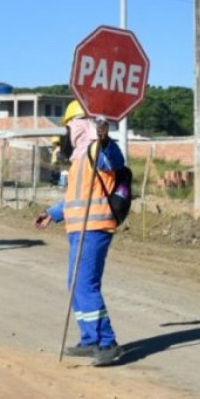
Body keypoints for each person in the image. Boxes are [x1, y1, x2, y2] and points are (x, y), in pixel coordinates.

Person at [34, 115, 126, 366]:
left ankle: (107, 343)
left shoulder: (97, 149)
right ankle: (90, 339)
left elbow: (115, 161)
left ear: (81, 124)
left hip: (94, 227)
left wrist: (104, 140)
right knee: (75, 285)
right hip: (78, 228)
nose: (68, 132)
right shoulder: (79, 158)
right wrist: (52, 213)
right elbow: (76, 198)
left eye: (70, 125)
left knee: (86, 285)